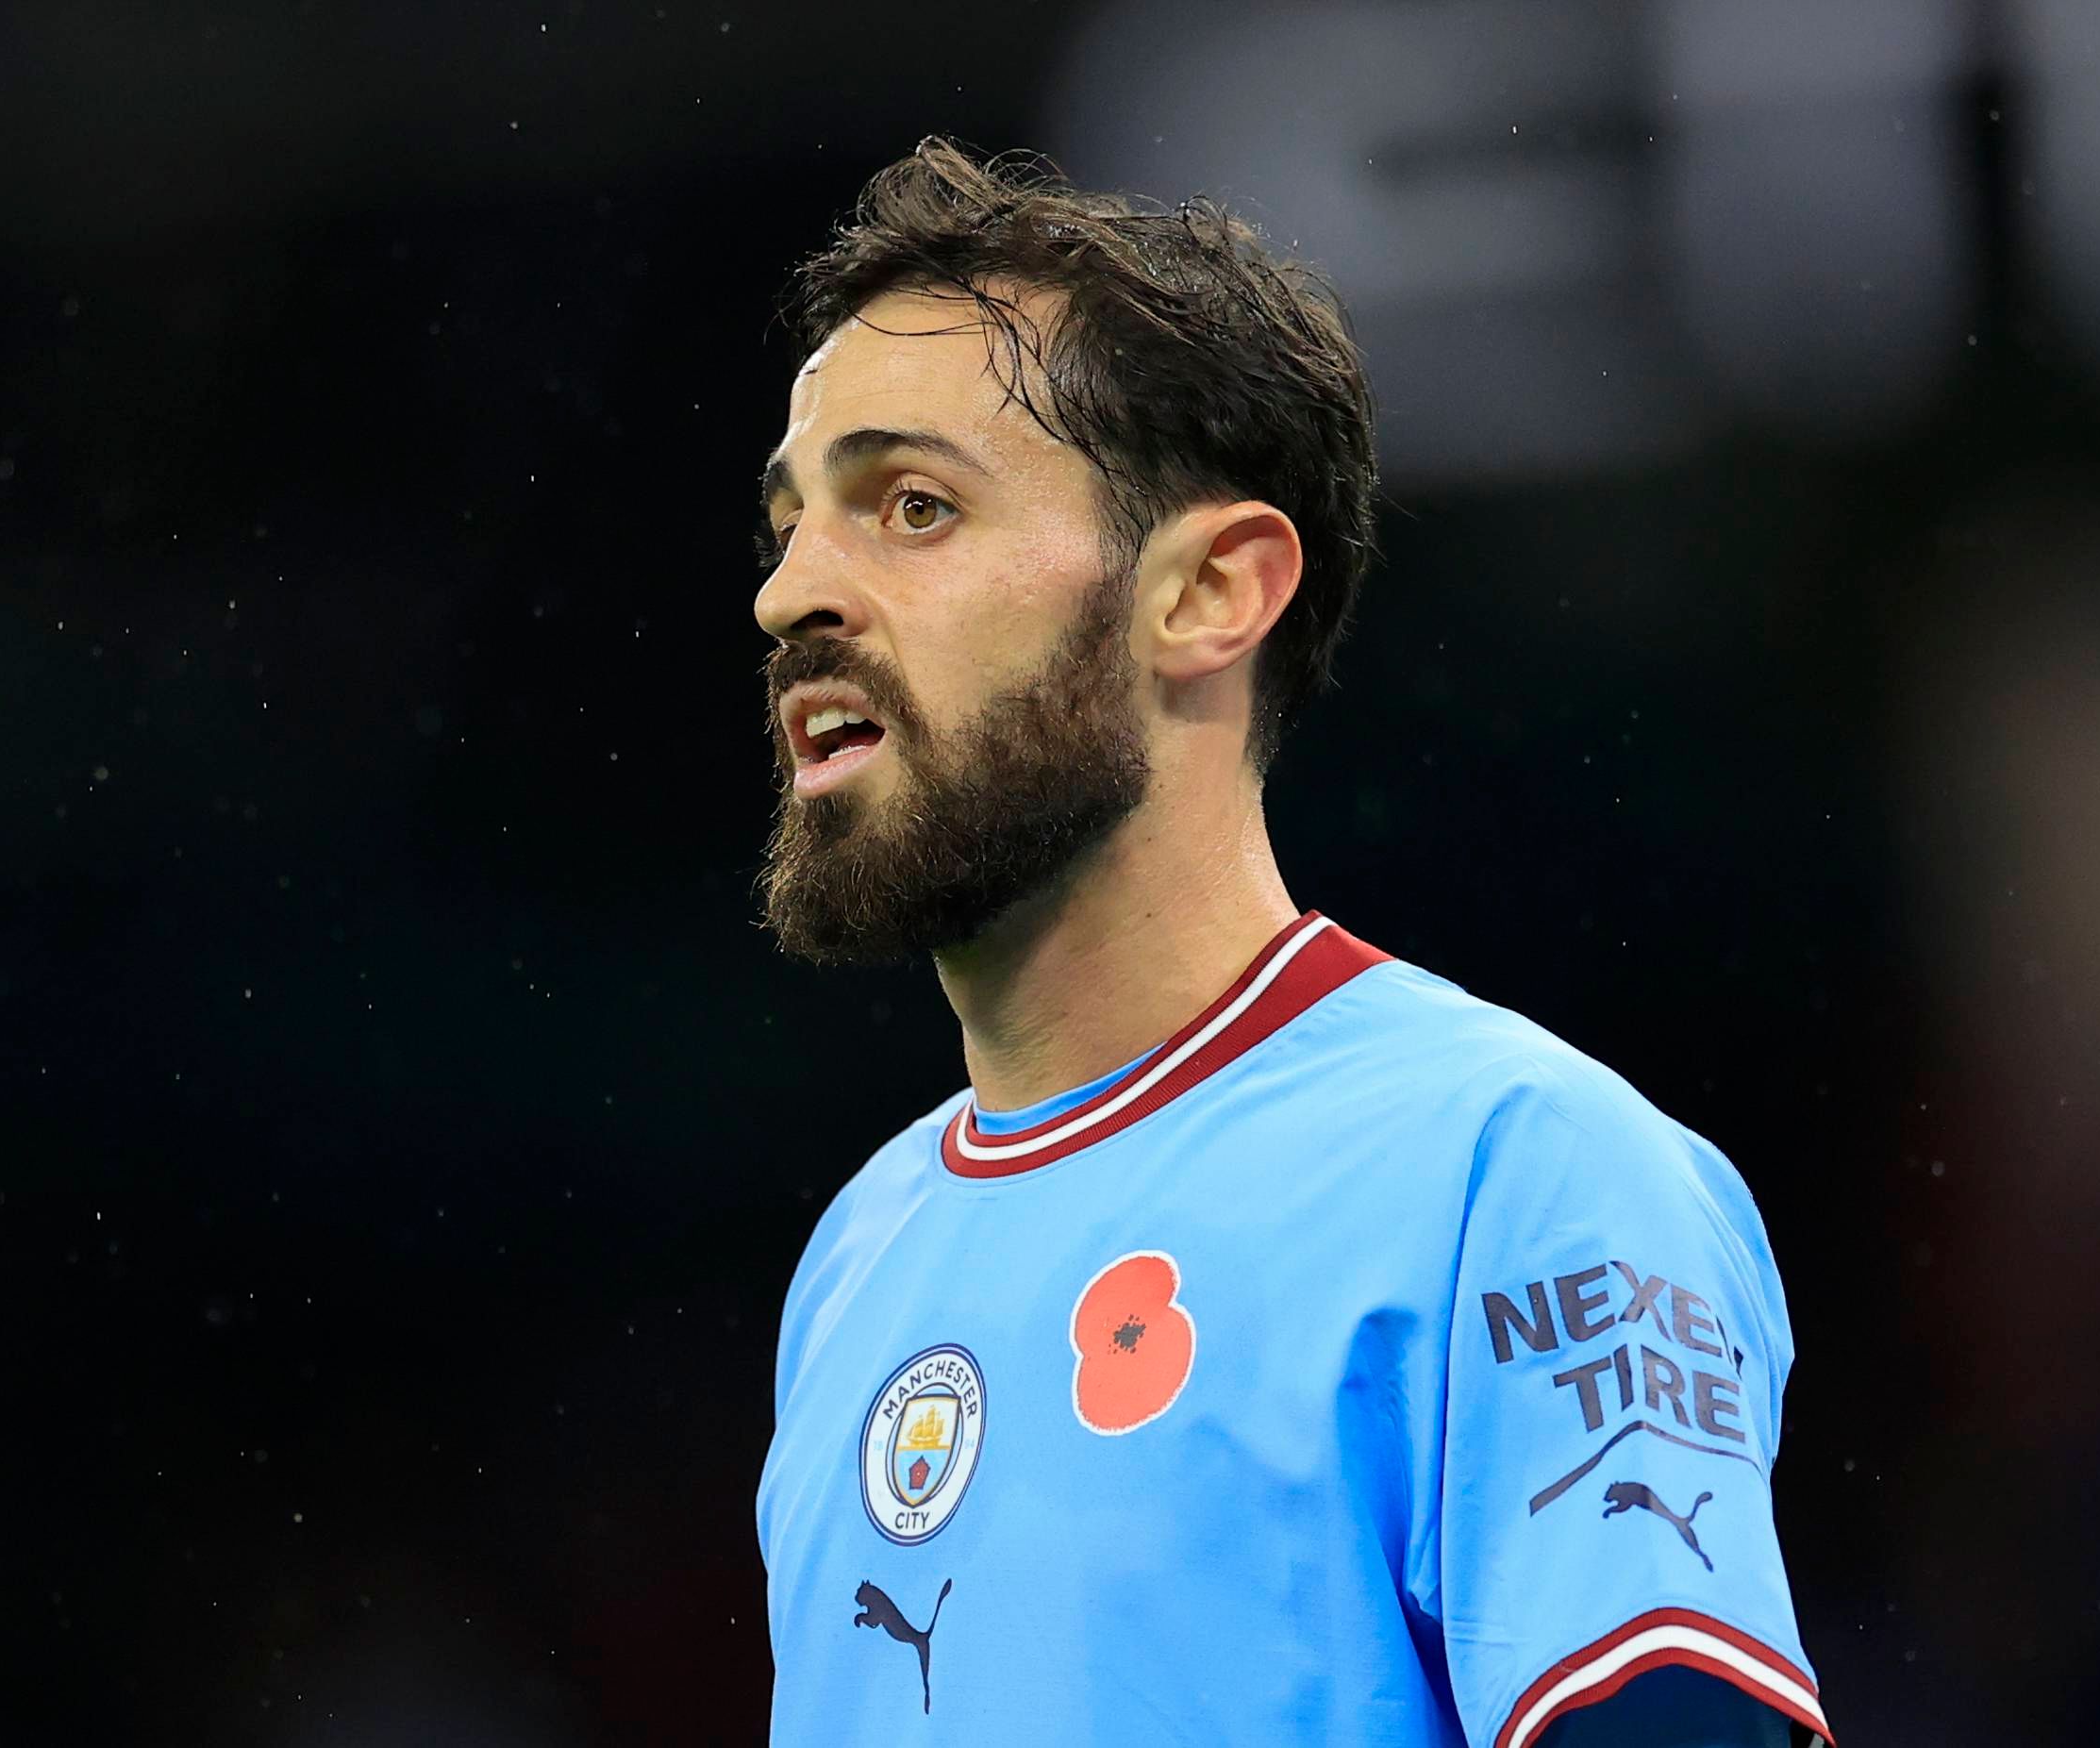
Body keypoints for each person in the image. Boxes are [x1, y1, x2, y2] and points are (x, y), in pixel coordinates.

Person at [748, 137, 1829, 1748]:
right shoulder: (855, 1261)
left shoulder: (1513, 1169)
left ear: (1208, 592)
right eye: (791, 525)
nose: (791, 595)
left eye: (913, 506)